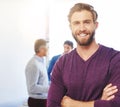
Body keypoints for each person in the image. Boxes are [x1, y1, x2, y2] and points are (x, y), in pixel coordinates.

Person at [47, 3, 120, 107]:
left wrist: (72, 104)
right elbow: (52, 104)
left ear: (96, 25)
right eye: (76, 23)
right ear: (70, 27)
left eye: (86, 22)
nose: (82, 28)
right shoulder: (62, 63)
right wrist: (100, 102)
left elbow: (116, 104)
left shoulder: (114, 59)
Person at [25, 39, 49, 107]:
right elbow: (32, 88)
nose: (48, 49)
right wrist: (50, 89)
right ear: (41, 49)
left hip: (42, 100)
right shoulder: (33, 65)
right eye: (47, 47)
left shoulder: (41, 63)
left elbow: (42, 82)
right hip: (37, 102)